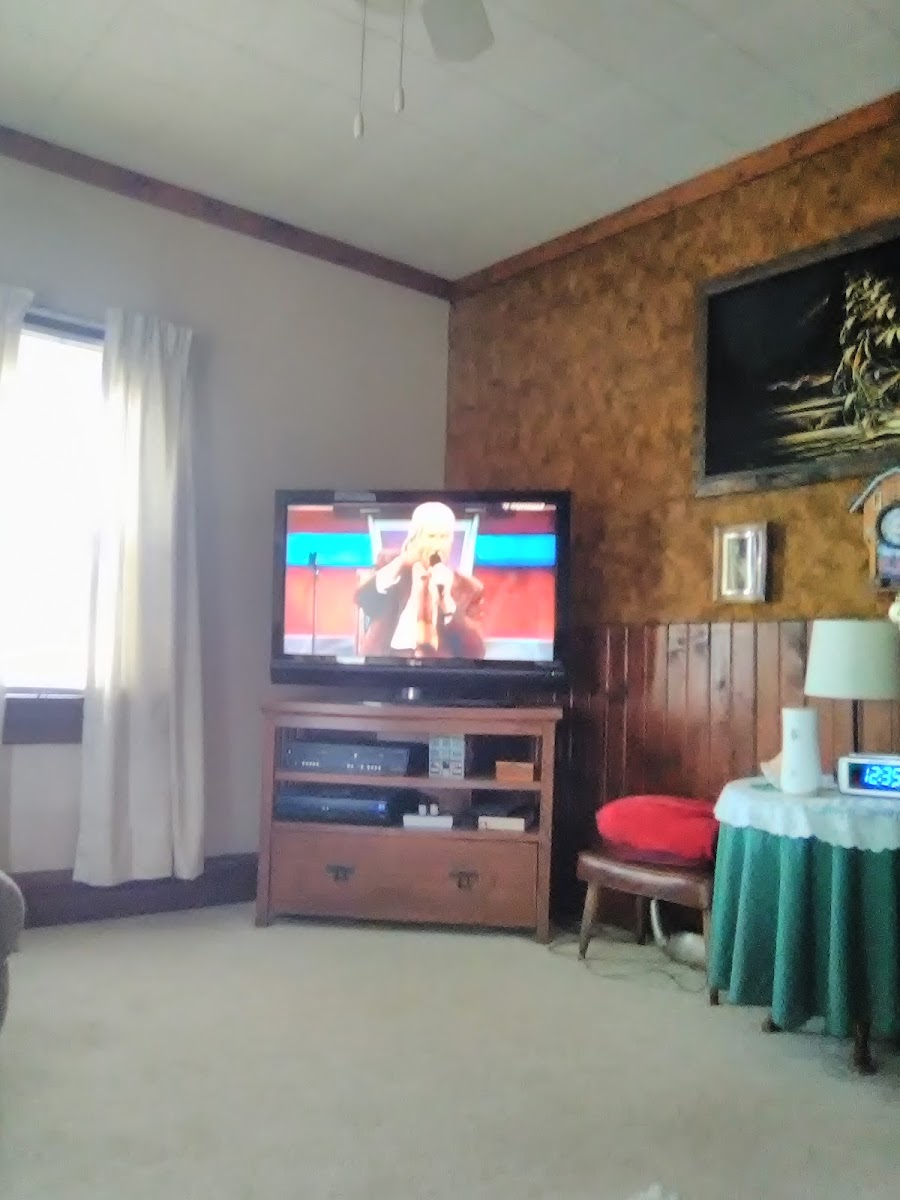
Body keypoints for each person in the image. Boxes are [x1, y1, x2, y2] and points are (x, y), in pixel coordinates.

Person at [355, 501, 485, 658]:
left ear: (451, 541)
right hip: (389, 661)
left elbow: (476, 652)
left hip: (437, 667)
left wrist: (448, 604)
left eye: (444, 537)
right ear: (415, 538)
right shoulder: (392, 565)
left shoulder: (469, 588)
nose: (437, 545)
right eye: (431, 536)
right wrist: (401, 562)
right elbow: (363, 599)